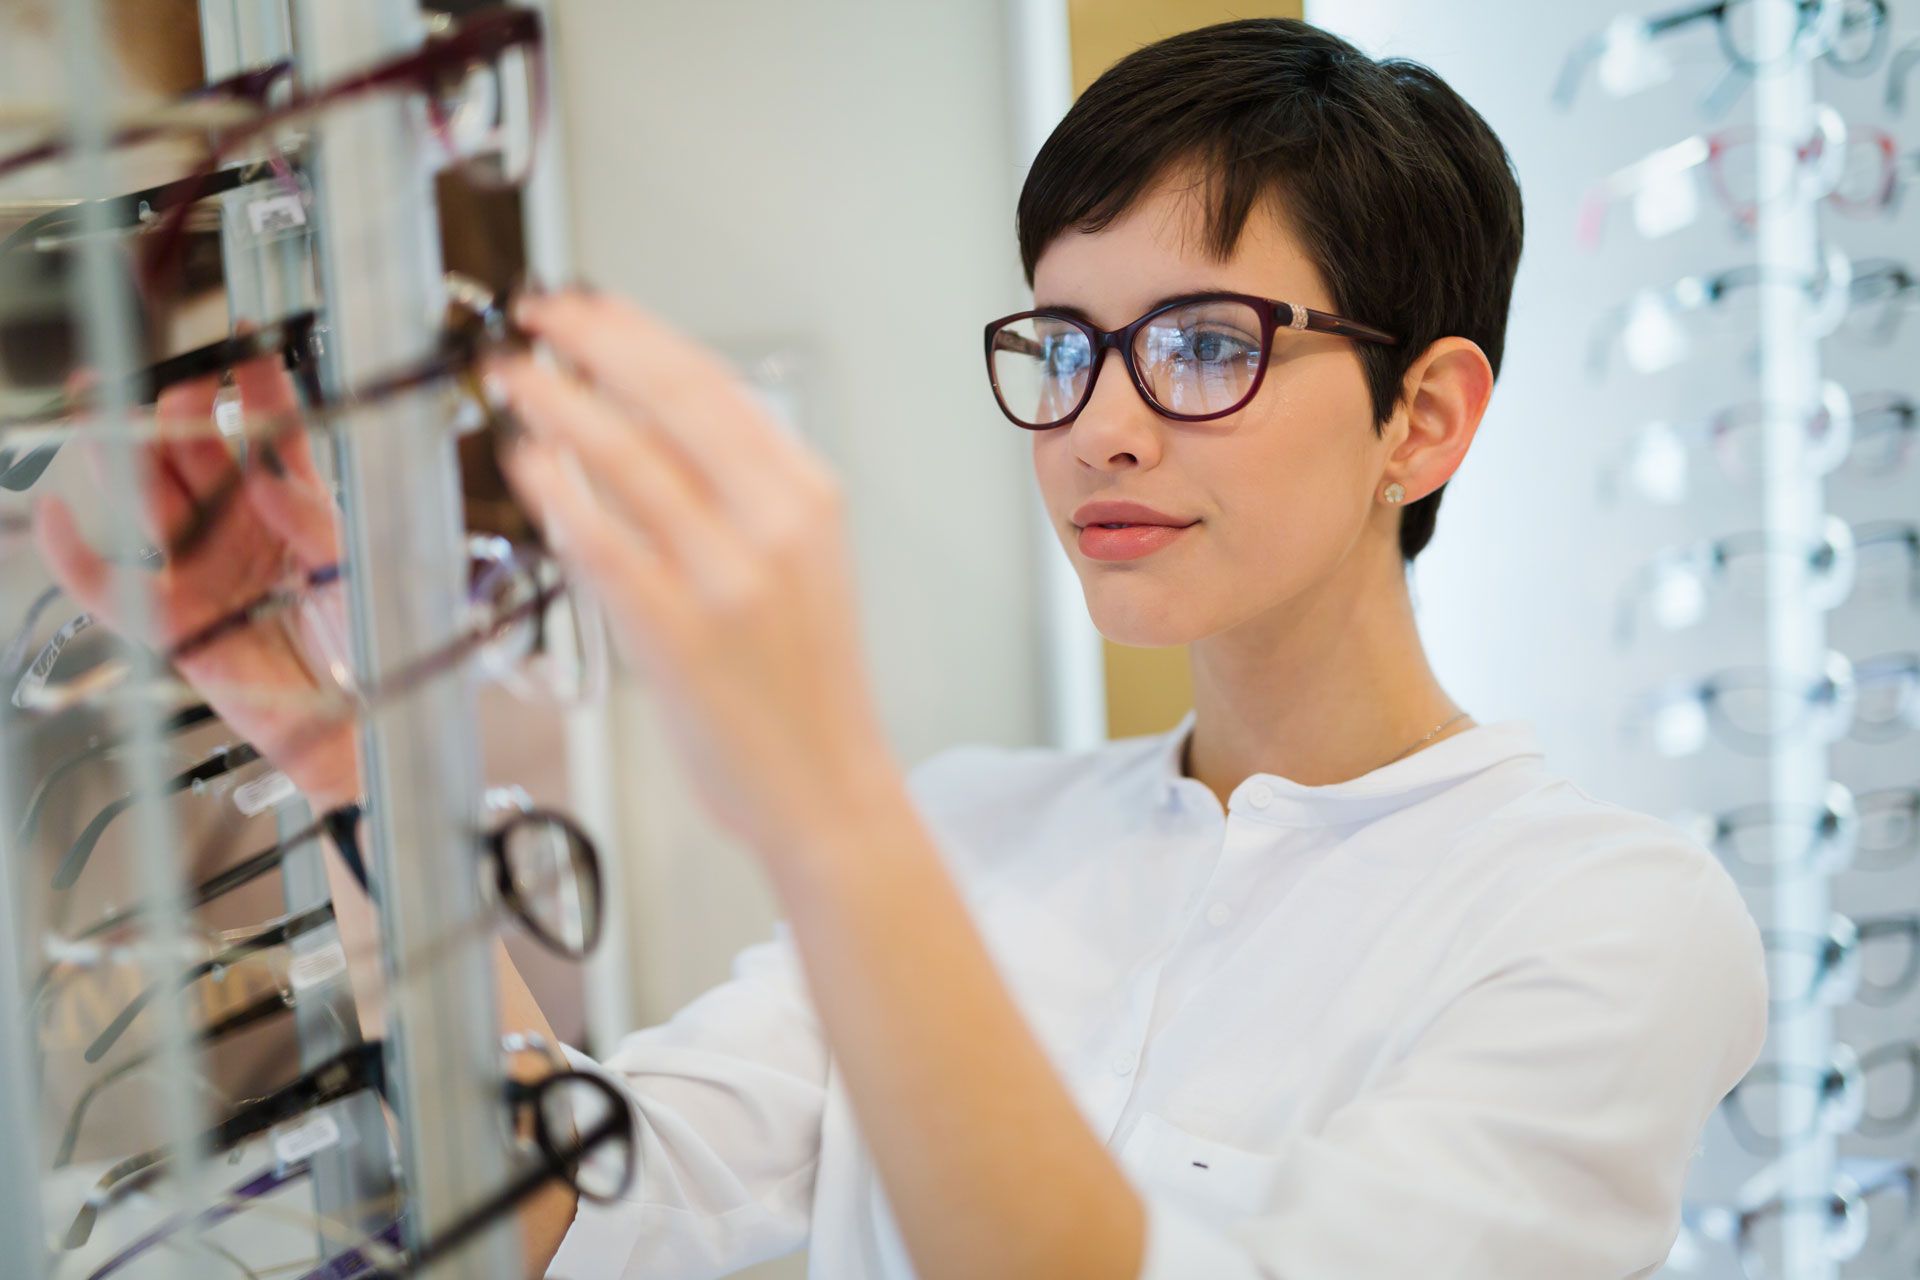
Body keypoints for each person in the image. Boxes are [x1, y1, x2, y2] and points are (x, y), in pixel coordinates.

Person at [34, 16, 1768, 1280]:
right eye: (1064, 348)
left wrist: (821, 791)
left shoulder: (1607, 925)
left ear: (1424, 418)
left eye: (1202, 344)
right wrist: (339, 746)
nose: (1100, 427)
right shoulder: (974, 829)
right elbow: (576, 1208)